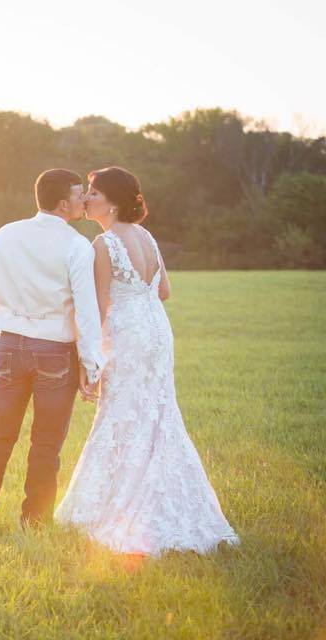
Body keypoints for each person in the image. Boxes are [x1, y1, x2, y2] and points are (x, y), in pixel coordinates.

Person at [54, 166, 240, 556]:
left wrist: (90, 362)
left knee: (121, 414)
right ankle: (169, 498)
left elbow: (101, 306)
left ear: (114, 200)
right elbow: (165, 291)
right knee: (158, 415)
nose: (86, 198)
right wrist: (139, 297)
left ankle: (116, 508)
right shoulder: (147, 237)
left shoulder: (103, 245)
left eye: (93, 192)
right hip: (156, 330)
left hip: (127, 335)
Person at [0, 169, 105, 531]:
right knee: (46, 444)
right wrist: (92, 364)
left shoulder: (5, 235)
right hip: (56, 351)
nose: (84, 200)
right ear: (63, 203)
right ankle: (35, 522)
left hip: (10, 344)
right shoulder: (77, 246)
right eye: (79, 195)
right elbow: (86, 310)